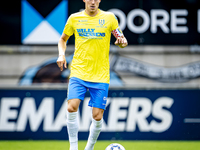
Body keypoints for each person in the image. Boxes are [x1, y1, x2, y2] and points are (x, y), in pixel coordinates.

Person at [57, 0, 128, 149]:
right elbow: (62, 39)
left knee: (97, 116)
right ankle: (73, 147)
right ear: (84, 0)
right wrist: (61, 55)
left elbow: (122, 40)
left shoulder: (109, 18)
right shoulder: (74, 18)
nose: (93, 2)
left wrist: (121, 41)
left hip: (100, 75)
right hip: (79, 71)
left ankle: (89, 148)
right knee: (71, 107)